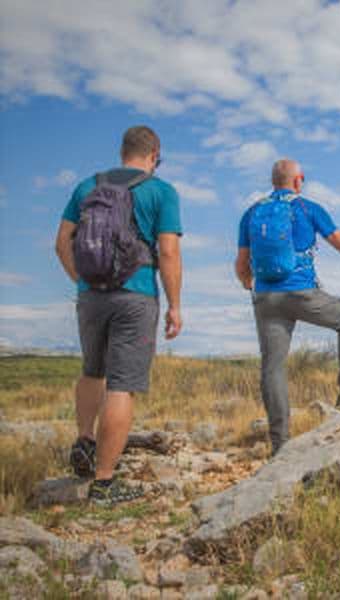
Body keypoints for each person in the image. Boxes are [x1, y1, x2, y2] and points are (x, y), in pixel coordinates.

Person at [55, 125, 183, 505]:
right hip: (136, 295)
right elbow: (169, 253)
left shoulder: (86, 187)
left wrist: (81, 280)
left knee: (92, 371)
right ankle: (105, 484)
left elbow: (62, 242)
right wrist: (175, 304)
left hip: (90, 296)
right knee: (122, 385)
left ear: (123, 151)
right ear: (154, 154)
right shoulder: (161, 191)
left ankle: (85, 440)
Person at [235, 158, 340, 456]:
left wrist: (252, 286)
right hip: (302, 293)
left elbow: (242, 266)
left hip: (266, 298)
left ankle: (280, 444)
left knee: (273, 367)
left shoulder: (252, 213)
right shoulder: (308, 208)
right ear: (298, 180)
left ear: (274, 181)